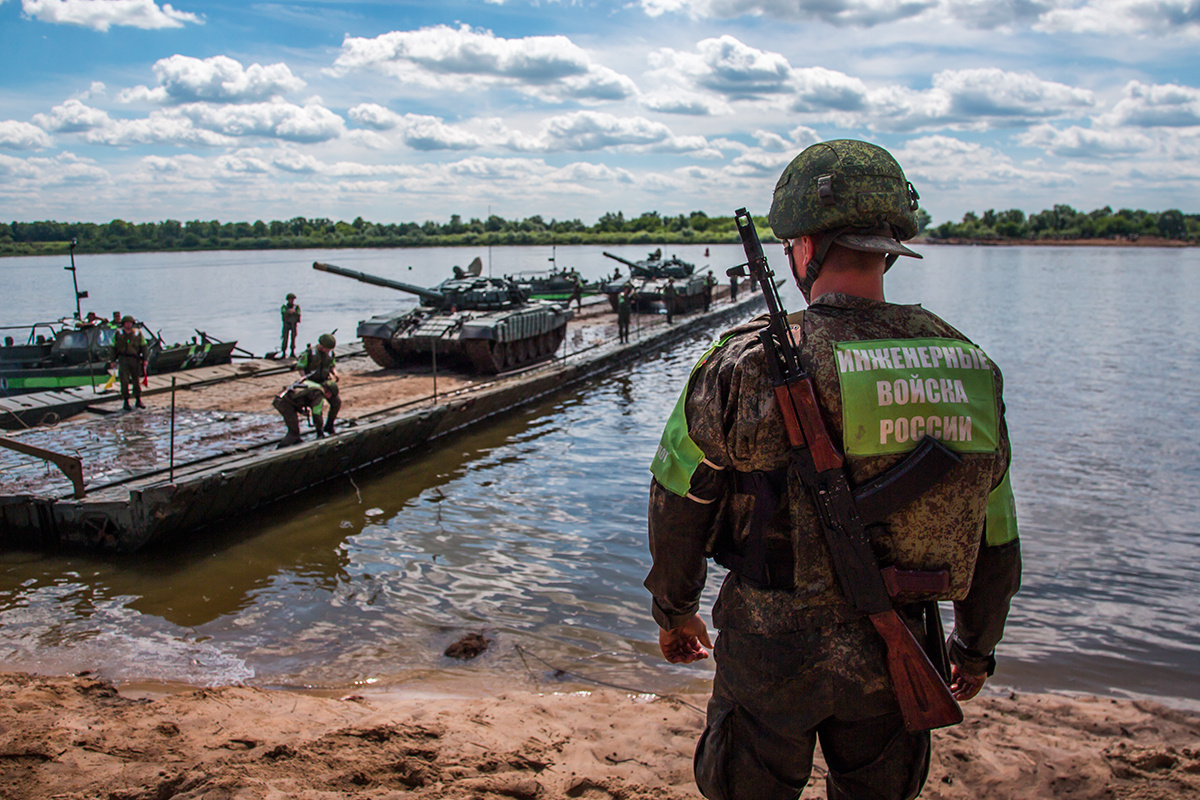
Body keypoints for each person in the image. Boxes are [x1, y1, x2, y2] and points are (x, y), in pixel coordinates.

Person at [644, 139, 1021, 800]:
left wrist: (675, 611)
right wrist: (975, 646)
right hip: (898, 639)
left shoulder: (740, 362)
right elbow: (995, 531)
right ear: (888, 248)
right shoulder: (969, 368)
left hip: (767, 644)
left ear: (803, 246)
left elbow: (679, 496)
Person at [296, 332, 341, 435]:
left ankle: (329, 426)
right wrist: (303, 377)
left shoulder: (330, 354)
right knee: (317, 406)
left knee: (336, 402)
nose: (328, 351)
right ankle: (319, 430)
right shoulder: (310, 353)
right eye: (327, 348)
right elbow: (300, 366)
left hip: (324, 381)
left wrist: (335, 373)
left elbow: (331, 365)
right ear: (321, 345)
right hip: (311, 382)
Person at [272, 378, 335, 448]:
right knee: (293, 433)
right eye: (331, 396)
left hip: (282, 399)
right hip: (283, 403)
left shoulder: (312, 385)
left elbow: (296, 397)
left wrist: (301, 411)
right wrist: (320, 432)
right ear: (329, 392)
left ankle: (296, 441)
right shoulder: (318, 394)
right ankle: (281, 448)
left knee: (294, 429)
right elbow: (317, 413)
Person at [109, 315, 147, 411]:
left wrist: (145, 359)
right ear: (123, 324)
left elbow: (144, 346)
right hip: (123, 359)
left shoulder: (138, 334)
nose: (128, 325)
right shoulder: (118, 333)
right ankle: (126, 401)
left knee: (136, 380)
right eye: (126, 323)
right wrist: (112, 360)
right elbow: (113, 347)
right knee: (124, 381)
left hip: (135, 359)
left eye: (130, 323)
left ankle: (138, 399)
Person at [280, 293, 301, 358]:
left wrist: (294, 312)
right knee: (285, 338)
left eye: (292, 300)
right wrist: (288, 311)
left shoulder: (296, 307)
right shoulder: (284, 307)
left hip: (293, 324)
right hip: (286, 324)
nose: (291, 301)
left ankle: (292, 351)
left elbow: (299, 313)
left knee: (293, 337)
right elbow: (283, 312)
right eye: (290, 300)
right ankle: (283, 352)